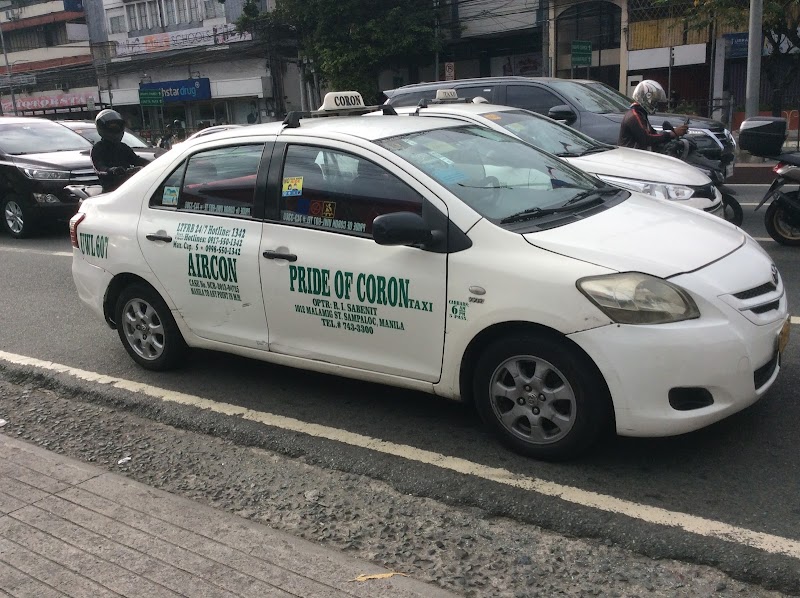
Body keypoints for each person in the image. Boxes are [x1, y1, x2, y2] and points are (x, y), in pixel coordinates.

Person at [619, 80, 688, 150]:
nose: (655, 106)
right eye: (654, 102)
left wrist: (671, 133)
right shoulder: (634, 116)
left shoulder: (640, 114)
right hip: (631, 157)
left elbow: (653, 133)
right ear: (646, 98)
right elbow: (646, 138)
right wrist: (672, 134)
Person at [91, 109, 149, 192]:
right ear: (102, 127)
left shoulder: (123, 147)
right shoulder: (97, 148)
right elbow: (99, 167)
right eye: (112, 127)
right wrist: (112, 170)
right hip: (110, 188)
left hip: (127, 185)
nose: (115, 130)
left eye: (117, 126)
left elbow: (137, 160)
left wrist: (156, 163)